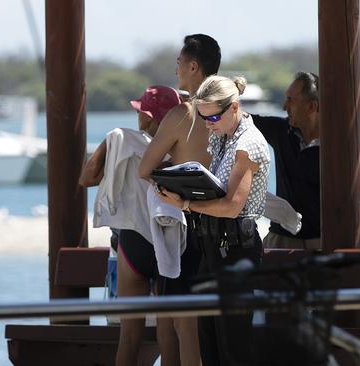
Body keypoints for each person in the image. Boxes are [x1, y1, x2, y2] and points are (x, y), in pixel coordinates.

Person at [156, 75, 270, 366]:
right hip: (212, 245)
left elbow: (232, 206)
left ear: (234, 107)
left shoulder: (248, 143)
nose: (209, 124)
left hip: (236, 248)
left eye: (214, 117)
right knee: (209, 342)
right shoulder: (222, 135)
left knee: (233, 344)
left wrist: (185, 203)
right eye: (204, 118)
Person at [79, 85, 183, 366]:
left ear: (149, 117)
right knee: (168, 333)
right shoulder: (181, 146)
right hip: (167, 241)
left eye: (140, 112)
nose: (137, 118)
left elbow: (86, 179)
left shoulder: (121, 142)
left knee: (129, 336)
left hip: (133, 242)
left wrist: (109, 146)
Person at [138, 33, 221, 366]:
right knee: (213, 327)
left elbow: (146, 169)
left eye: (178, 64)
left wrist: (173, 173)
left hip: (188, 224)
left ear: (193, 66)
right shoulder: (230, 112)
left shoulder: (182, 114)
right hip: (225, 223)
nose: (176, 71)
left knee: (184, 324)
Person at [251, 72, 321, 250]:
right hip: (281, 239)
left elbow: (358, 198)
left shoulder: (337, 145)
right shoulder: (280, 130)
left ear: (312, 107)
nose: (284, 107)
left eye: (291, 100)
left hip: (322, 241)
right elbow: (238, 120)